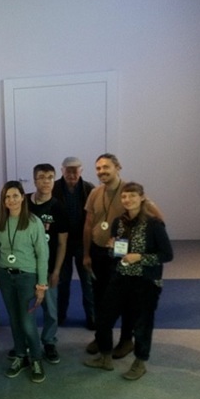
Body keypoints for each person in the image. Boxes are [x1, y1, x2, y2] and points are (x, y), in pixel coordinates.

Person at [84, 182, 173, 380]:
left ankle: (140, 363)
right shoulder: (119, 222)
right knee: (103, 318)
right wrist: (112, 248)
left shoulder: (154, 224)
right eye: (124, 196)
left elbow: (167, 255)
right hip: (120, 278)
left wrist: (140, 257)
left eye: (132, 196)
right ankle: (105, 357)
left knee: (142, 324)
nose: (127, 200)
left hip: (145, 282)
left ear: (142, 198)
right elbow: (117, 253)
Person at [83, 153, 163, 358]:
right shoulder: (94, 193)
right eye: (98, 168)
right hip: (99, 251)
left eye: (106, 167)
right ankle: (102, 337)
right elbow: (89, 224)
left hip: (123, 257)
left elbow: (158, 219)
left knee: (127, 299)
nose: (102, 171)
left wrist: (142, 251)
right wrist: (86, 254)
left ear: (118, 167)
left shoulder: (129, 192)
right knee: (101, 297)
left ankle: (127, 340)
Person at [0, 181, 49, 383]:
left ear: (23, 197)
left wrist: (41, 285)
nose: (11, 200)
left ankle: (36, 358)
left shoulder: (34, 222)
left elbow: (42, 255)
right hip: (6, 276)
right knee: (14, 319)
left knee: (27, 321)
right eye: (7, 197)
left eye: (15, 196)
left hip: (27, 277)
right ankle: (20, 355)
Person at [25, 163, 68, 364]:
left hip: (49, 268)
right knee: (27, 309)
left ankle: (49, 341)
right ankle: (28, 341)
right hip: (26, 267)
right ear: (35, 180)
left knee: (50, 309)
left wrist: (57, 270)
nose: (46, 181)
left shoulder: (59, 208)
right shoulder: (24, 203)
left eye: (50, 177)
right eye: (42, 177)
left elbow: (62, 243)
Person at [52, 156, 95, 329]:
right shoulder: (54, 188)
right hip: (61, 243)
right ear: (62, 171)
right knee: (62, 282)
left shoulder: (90, 189)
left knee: (88, 283)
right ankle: (60, 316)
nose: (71, 174)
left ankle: (92, 318)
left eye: (75, 171)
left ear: (81, 171)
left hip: (83, 242)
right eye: (68, 171)